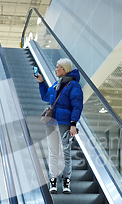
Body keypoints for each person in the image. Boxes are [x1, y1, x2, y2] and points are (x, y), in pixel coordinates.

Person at [35, 58, 83, 194]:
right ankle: (53, 180)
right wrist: (42, 82)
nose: (55, 69)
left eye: (58, 67)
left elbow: (77, 106)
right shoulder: (56, 84)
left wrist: (73, 124)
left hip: (64, 123)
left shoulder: (74, 86)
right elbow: (45, 96)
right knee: (53, 153)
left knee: (65, 153)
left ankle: (66, 180)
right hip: (51, 123)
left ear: (64, 69)